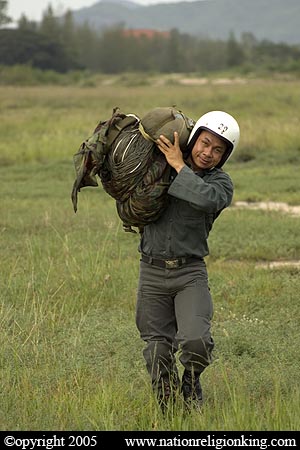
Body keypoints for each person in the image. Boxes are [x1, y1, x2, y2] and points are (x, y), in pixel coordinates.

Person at [135, 110, 240, 411]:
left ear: (224, 156)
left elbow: (206, 198)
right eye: (204, 143)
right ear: (194, 140)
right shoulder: (161, 164)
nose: (208, 153)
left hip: (190, 273)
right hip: (151, 271)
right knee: (156, 349)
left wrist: (180, 166)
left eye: (218, 150)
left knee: (196, 340)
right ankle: (168, 409)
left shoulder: (221, 183)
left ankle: (192, 379)